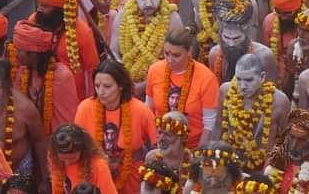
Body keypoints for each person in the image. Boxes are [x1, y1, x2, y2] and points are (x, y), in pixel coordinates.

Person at [73, 59, 157, 193]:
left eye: (107, 86)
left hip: (132, 178)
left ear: (120, 86)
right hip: (96, 176)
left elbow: (156, 147)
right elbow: (77, 146)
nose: (101, 92)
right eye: (97, 86)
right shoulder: (85, 108)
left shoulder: (141, 110)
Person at [144, 28, 220, 149]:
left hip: (191, 146)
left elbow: (209, 124)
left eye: (176, 55)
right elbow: (148, 110)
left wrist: (197, 154)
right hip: (160, 144)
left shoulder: (207, 78)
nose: (170, 60)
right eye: (166, 53)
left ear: (189, 51)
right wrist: (156, 144)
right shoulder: (155, 70)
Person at [213, 54, 289, 172]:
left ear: (262, 77)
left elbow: (286, 139)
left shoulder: (279, 101)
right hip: (230, 163)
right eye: (238, 79)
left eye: (249, 80)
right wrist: (212, 155)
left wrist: (273, 169)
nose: (243, 86)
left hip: (263, 167)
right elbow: (218, 127)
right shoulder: (226, 91)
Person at [110, 0, 183, 87]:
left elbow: (179, 59)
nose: (148, 3)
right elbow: (113, 52)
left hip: (162, 81)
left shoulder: (173, 18)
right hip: (126, 81)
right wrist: (123, 74)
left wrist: (145, 85)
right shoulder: (122, 16)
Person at [207, 0, 274, 83]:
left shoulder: (264, 56)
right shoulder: (214, 54)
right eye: (226, 37)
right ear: (220, 33)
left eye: (236, 38)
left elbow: (271, 92)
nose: (231, 44)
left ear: (247, 33)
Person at [48, 124, 116, 194]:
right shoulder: (55, 161)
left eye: (72, 158)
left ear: (83, 150)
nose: (67, 162)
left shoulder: (99, 165)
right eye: (63, 158)